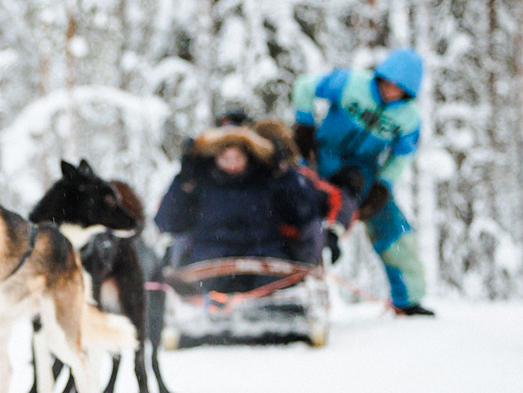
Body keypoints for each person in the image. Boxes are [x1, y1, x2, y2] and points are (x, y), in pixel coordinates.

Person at [291, 48, 433, 316]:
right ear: (379, 76)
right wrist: (304, 126)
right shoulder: (350, 83)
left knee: (393, 229)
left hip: (361, 177)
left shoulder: (409, 119)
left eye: (398, 88)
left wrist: (383, 187)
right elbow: (304, 87)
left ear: (409, 93)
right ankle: (280, 288)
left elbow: (401, 156)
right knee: (291, 216)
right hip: (319, 162)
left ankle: (409, 300)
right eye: (387, 82)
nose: (390, 90)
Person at [155, 123, 326, 274]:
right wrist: (182, 183)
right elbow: (166, 222)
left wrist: (284, 175)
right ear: (216, 158)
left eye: (237, 158)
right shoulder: (198, 182)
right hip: (210, 263)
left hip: (265, 260)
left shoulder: (266, 179)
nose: (232, 164)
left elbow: (303, 213)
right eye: (226, 158)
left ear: (247, 157)